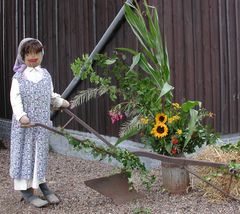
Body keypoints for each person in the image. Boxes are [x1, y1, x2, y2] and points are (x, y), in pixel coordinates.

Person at [10, 38, 70, 208]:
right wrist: (21, 116)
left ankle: (43, 186)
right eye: (28, 53)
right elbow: (15, 100)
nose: (33, 56)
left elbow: (50, 96)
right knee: (24, 157)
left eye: (36, 52)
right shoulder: (19, 78)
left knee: (39, 156)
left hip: (42, 125)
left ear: (42, 54)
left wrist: (60, 102)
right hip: (25, 127)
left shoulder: (46, 75)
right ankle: (27, 191)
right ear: (23, 56)